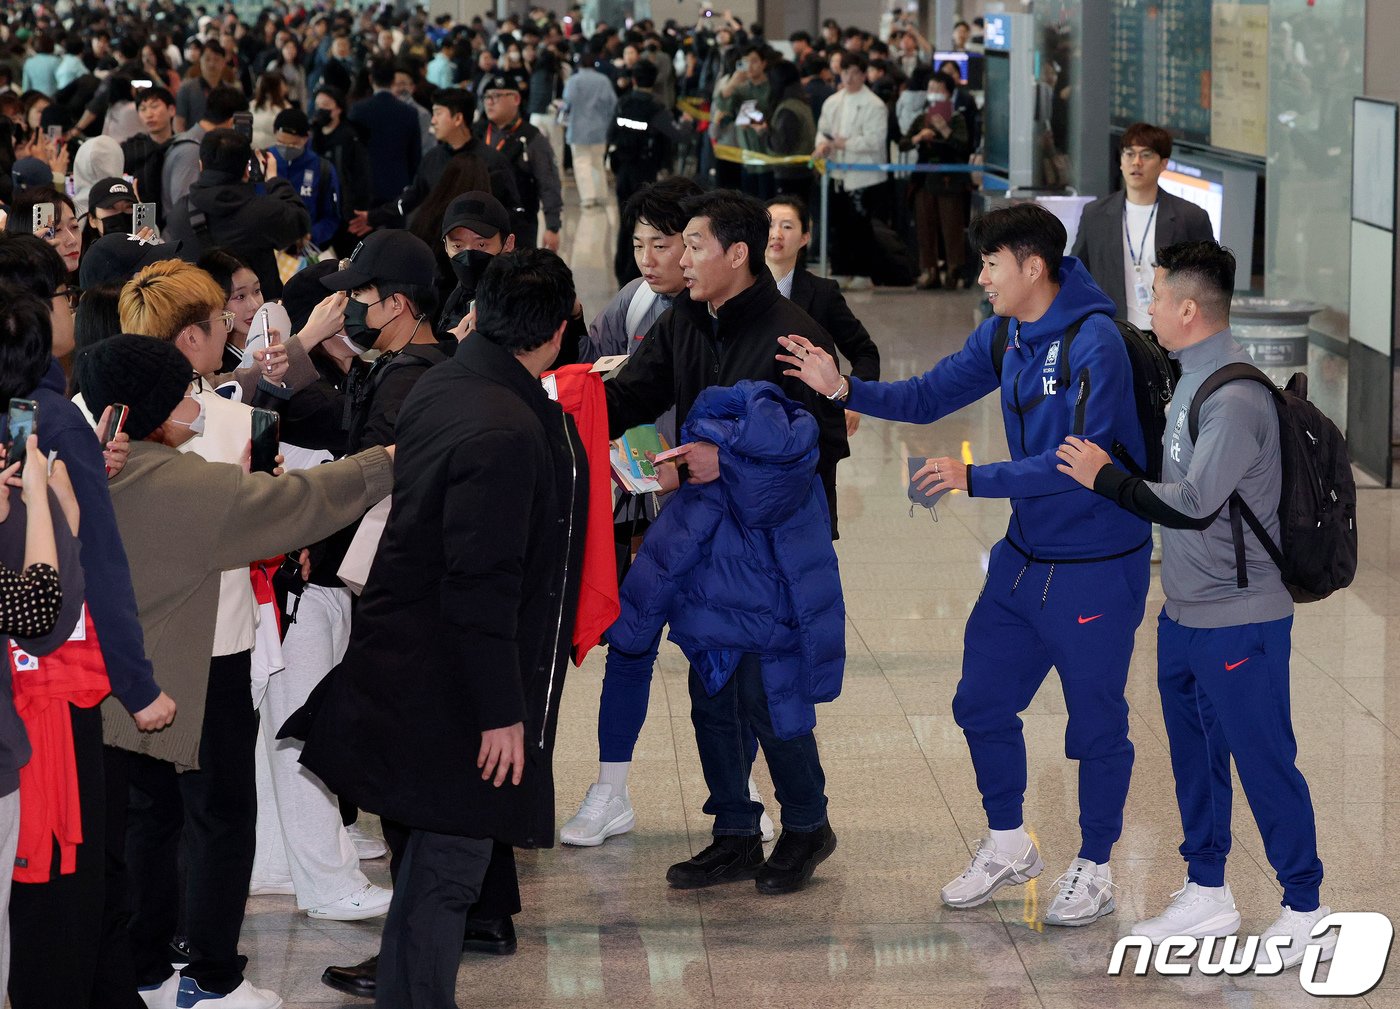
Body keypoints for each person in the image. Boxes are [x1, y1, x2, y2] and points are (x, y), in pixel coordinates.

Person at [778, 203, 1151, 927]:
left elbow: (1080, 463)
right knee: (979, 700)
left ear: (1032, 267)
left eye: (990, 264)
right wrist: (842, 388)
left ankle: (1097, 865)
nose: (979, 277)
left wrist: (972, 477)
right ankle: (1010, 843)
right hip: (1023, 558)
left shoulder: (1096, 343)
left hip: (1097, 564)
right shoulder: (1006, 332)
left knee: (1095, 723)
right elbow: (926, 396)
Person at [291, 249, 588, 1009]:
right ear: (557, 332)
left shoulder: (445, 385)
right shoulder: (505, 425)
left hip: (404, 663)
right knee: (448, 869)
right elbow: (481, 581)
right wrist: (501, 712)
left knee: (426, 859)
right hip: (456, 689)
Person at [76, 332, 394, 1009]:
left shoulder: (82, 472)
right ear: (150, 410)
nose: (198, 398)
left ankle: (147, 969)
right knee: (221, 818)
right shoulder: (188, 484)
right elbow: (302, 503)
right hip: (204, 668)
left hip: (116, 686)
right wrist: (384, 461)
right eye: (183, 392)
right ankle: (212, 978)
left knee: (146, 823)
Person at [1055, 240, 1337, 966]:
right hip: (1183, 616)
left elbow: (1194, 503)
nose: (1145, 306)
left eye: (1153, 295)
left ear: (1188, 307)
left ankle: (1306, 904)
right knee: (1196, 758)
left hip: (1241, 621)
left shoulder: (1236, 396)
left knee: (1264, 758)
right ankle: (1208, 887)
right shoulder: (1189, 378)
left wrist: (1106, 478)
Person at [600, 190, 847, 889]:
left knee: (770, 692)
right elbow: (632, 397)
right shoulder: (684, 320)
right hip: (705, 539)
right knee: (711, 688)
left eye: (695, 244)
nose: (680, 257)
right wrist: (546, 392)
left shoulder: (793, 333)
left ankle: (807, 823)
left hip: (774, 546)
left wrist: (726, 462)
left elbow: (821, 448)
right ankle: (734, 829)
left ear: (738, 254)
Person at [1071, 122, 1214, 329]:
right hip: (1113, 331)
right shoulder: (1095, 215)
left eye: (1146, 155)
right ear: (1120, 161)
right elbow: (1078, 274)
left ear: (1163, 163)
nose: (1136, 162)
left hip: (1172, 335)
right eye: (1129, 154)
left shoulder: (1190, 217)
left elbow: (1209, 282)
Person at [764, 195, 880, 437]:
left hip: (811, 426)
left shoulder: (823, 293)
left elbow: (865, 352)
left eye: (787, 226)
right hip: (752, 424)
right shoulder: (737, 290)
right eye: (770, 225)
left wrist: (854, 397)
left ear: (805, 237)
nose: (776, 234)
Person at [164, 128, 311, 300]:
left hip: (206, 315)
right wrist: (273, 180)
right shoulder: (263, 212)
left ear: (201, 165)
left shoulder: (179, 213)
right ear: (247, 170)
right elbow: (300, 220)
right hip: (259, 316)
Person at [355, 89, 521, 238]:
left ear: (458, 118)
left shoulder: (491, 161)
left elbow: (513, 211)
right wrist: (375, 216)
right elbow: (413, 195)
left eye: (438, 113)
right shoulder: (433, 157)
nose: (433, 121)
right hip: (437, 246)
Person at [607, 60, 686, 285]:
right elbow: (677, 135)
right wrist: (688, 125)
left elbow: (611, 133)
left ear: (633, 80)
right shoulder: (656, 107)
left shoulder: (623, 103)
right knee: (644, 221)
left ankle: (622, 269)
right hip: (645, 171)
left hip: (623, 169)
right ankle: (636, 271)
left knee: (625, 221)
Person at [812, 53, 888, 289]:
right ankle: (841, 269)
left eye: (855, 72)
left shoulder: (875, 104)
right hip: (836, 174)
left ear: (864, 75)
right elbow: (823, 131)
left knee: (861, 225)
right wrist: (823, 146)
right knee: (838, 224)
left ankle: (863, 273)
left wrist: (845, 143)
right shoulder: (833, 101)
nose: (849, 77)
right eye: (845, 72)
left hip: (863, 176)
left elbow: (875, 140)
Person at [898, 71, 972, 290]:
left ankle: (953, 269)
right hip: (923, 180)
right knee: (925, 226)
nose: (934, 94)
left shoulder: (957, 117)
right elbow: (903, 143)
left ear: (948, 93)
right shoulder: (922, 117)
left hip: (950, 180)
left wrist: (944, 131)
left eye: (938, 90)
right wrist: (918, 137)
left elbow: (963, 146)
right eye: (930, 89)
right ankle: (929, 270)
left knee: (951, 226)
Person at [476, 73, 563, 251]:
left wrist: (552, 226)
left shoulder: (531, 137)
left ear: (515, 98)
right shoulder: (478, 132)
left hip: (518, 225)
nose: (489, 102)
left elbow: (548, 182)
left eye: (496, 96)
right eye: (486, 97)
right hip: (479, 223)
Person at [161, 84, 247, 222]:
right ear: (233, 122)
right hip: (186, 237)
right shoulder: (191, 151)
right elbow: (184, 206)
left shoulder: (197, 144)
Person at [347, 59, 422, 208]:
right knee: (395, 230)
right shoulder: (409, 112)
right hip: (398, 183)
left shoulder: (358, 110)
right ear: (393, 80)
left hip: (366, 183)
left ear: (370, 79)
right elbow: (415, 155)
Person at [268, 107, 341, 253]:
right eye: (281, 143)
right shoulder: (263, 161)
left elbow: (332, 217)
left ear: (306, 138)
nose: (286, 149)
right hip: (266, 248)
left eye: (293, 145)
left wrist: (310, 234)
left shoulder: (322, 169)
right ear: (275, 133)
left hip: (305, 251)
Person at [561, 42, 618, 210]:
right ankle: (601, 195)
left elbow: (567, 101)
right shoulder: (603, 80)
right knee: (597, 162)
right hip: (600, 129)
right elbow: (613, 103)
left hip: (578, 128)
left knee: (581, 162)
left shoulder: (574, 81)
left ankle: (588, 197)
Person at [121, 85, 178, 224]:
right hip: (143, 222)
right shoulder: (130, 149)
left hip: (176, 218)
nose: (149, 114)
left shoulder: (183, 147)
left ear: (171, 110)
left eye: (154, 106)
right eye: (143, 109)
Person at [174, 38, 230, 133]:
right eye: (207, 59)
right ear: (200, 61)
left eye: (216, 59)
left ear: (223, 62)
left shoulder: (230, 91)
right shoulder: (187, 89)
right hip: (194, 142)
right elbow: (179, 122)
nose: (211, 64)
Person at [249, 71, 291, 150]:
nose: (285, 88)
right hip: (252, 150)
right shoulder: (253, 105)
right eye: (283, 85)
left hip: (272, 153)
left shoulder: (285, 109)